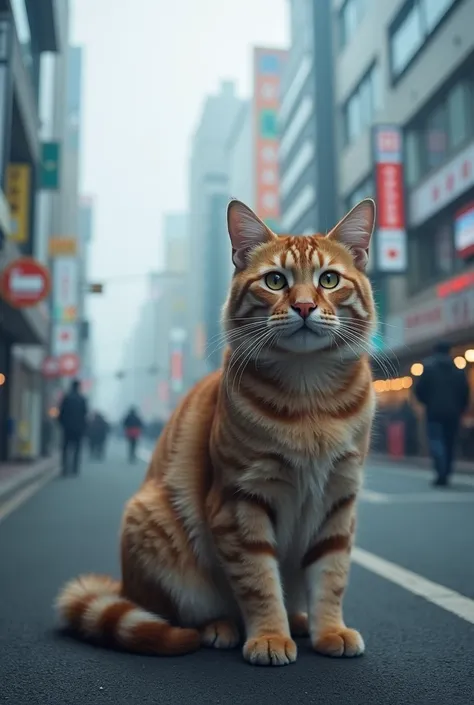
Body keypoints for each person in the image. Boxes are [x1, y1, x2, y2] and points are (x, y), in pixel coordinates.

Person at [414, 341, 470, 487]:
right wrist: (461, 409)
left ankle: (441, 471)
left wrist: (427, 402)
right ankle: (446, 473)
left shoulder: (428, 368)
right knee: (450, 443)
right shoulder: (458, 369)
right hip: (453, 413)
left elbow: (419, 390)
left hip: (434, 412)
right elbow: (465, 392)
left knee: (436, 441)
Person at [58, 379, 88, 476]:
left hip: (67, 428)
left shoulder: (67, 398)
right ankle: (75, 469)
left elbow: (61, 413)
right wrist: (84, 427)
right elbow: (85, 415)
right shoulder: (82, 399)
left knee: (65, 448)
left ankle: (65, 468)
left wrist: (62, 424)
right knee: (77, 449)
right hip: (78, 428)